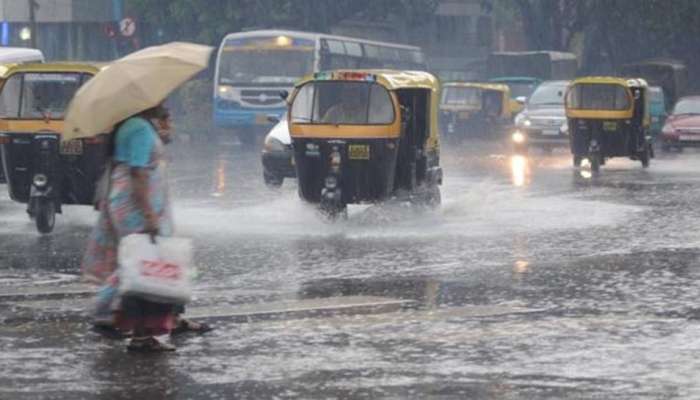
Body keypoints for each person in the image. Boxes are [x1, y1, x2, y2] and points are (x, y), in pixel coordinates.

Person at [82, 104, 208, 352]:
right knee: (138, 265)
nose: (163, 102)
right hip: (135, 205)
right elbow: (138, 173)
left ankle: (155, 321)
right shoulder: (138, 128)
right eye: (160, 100)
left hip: (127, 201)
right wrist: (149, 214)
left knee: (138, 262)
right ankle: (111, 316)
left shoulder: (134, 126)